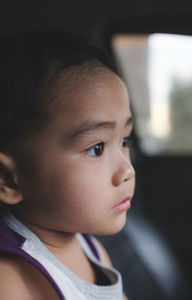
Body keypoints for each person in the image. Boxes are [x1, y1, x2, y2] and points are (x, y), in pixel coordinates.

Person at [0, 30, 135, 299]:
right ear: (8, 179)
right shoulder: (11, 280)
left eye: (124, 141)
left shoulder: (92, 249)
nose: (127, 171)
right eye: (97, 148)